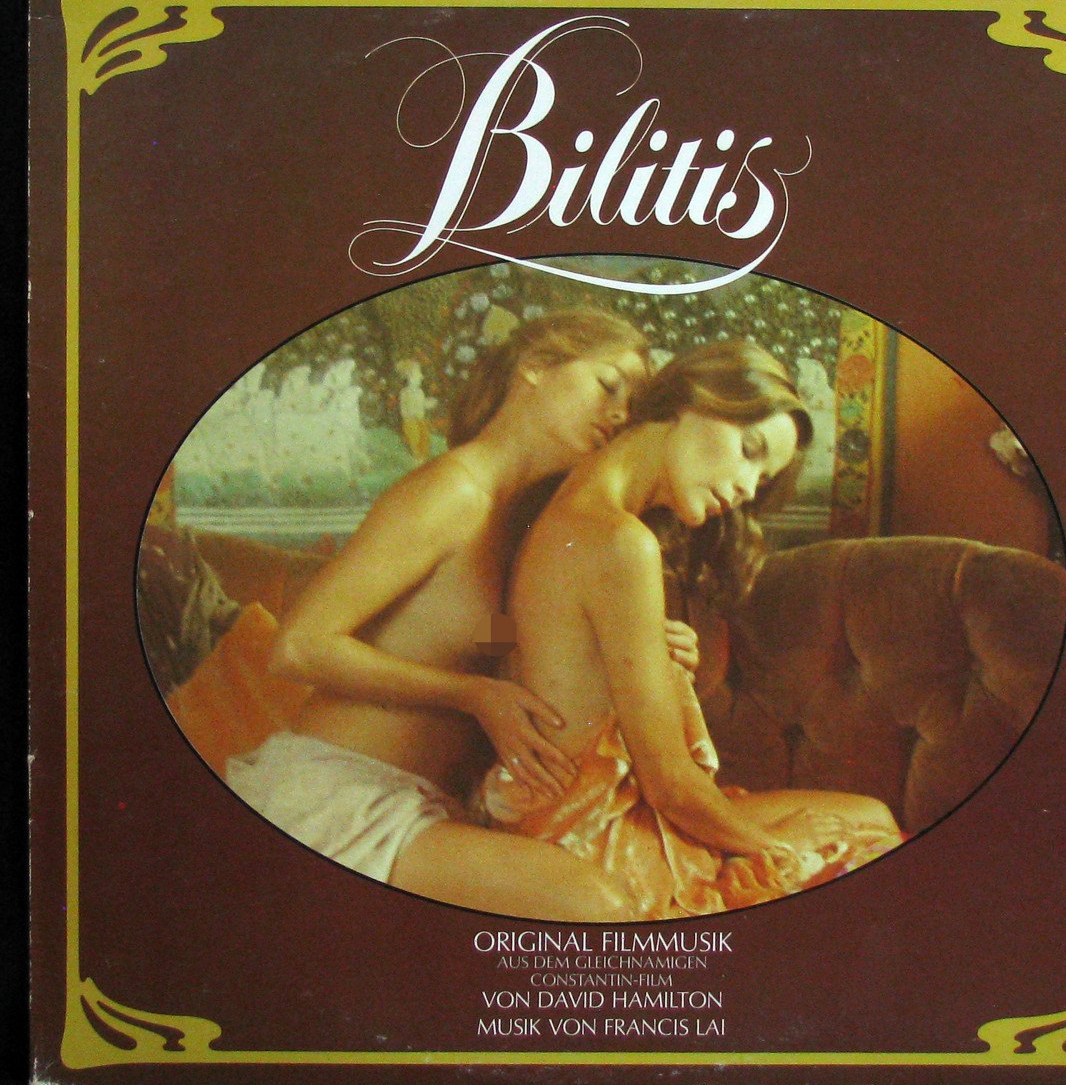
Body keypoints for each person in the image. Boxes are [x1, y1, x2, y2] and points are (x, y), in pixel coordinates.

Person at [229, 307, 694, 921]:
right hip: (336, 797)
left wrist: (637, 640)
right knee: (593, 905)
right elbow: (299, 647)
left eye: (629, 407)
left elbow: (486, 648)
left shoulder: (516, 524)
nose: (617, 414)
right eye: (608, 385)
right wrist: (472, 695)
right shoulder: (454, 491)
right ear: (535, 366)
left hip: (430, 808)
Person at [479, 340, 903, 920]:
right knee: (866, 837)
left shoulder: (563, 512)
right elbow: (670, 786)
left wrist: (640, 649)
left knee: (869, 816)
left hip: (548, 808)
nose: (748, 487)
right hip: (593, 829)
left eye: (763, 476)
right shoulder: (620, 543)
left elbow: (524, 656)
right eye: (749, 450)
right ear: (688, 402)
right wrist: (777, 850)